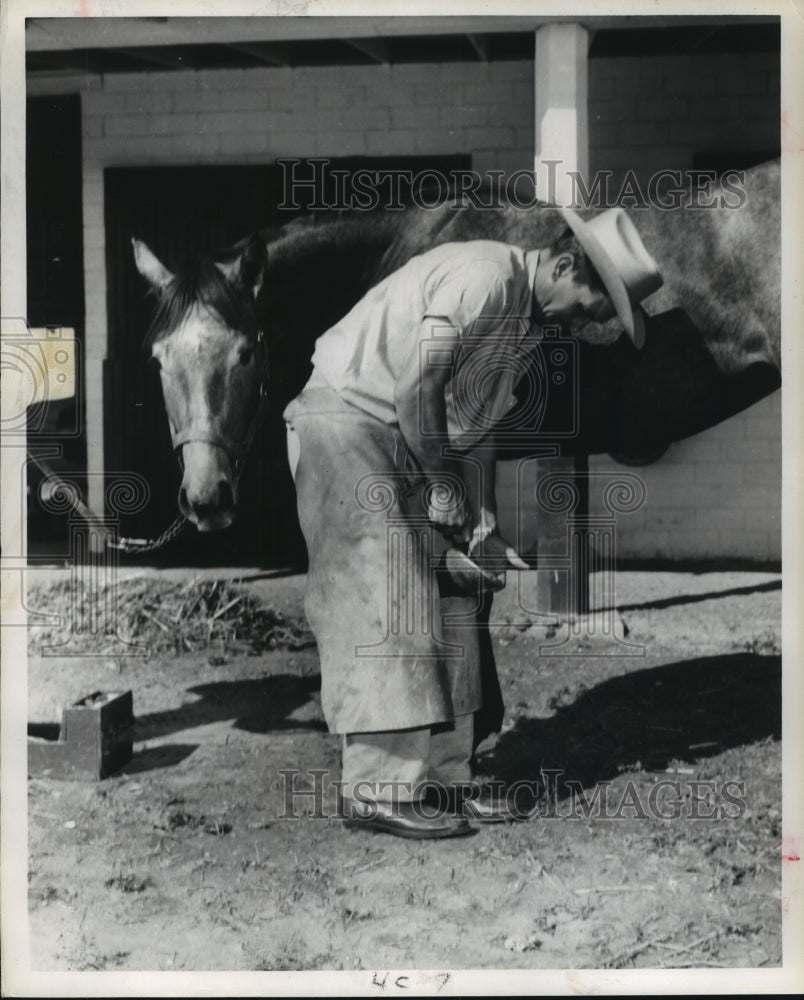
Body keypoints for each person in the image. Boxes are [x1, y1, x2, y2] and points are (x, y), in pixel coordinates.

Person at [283, 206, 663, 839]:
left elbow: (474, 430)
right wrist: (442, 490)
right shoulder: (486, 276)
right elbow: (415, 387)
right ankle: (378, 788)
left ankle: (446, 780)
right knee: (390, 591)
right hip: (347, 421)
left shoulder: (526, 325)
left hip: (406, 437)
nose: (588, 326)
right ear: (565, 266)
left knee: (462, 592)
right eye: (592, 309)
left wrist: (480, 523)